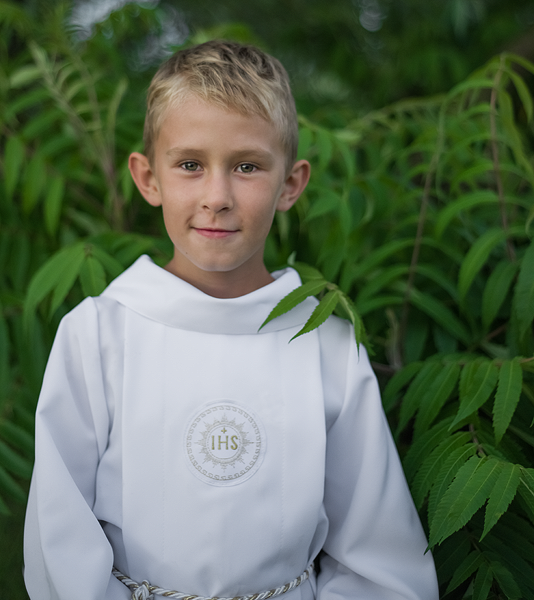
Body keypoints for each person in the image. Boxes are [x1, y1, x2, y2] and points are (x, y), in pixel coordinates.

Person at [23, 41, 439, 600]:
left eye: (247, 167)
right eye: (190, 165)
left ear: (291, 184)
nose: (217, 197)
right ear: (148, 178)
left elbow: (378, 555)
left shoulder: (327, 345)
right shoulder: (97, 336)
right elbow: (61, 539)